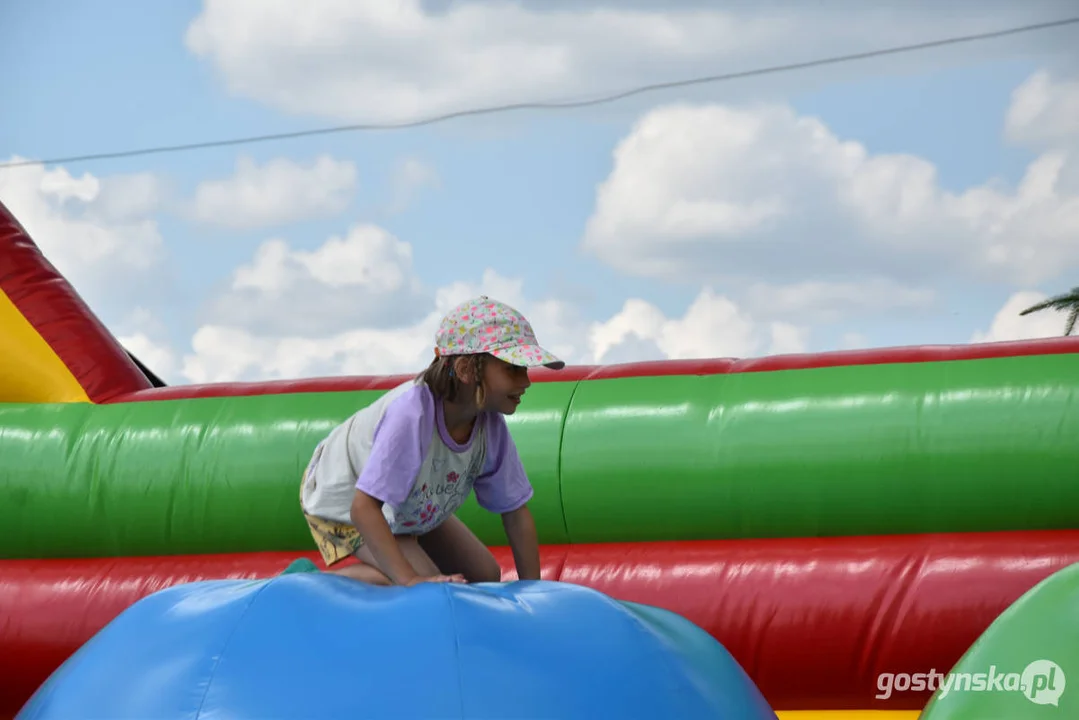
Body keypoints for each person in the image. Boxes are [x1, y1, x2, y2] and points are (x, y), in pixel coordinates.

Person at [298, 295, 565, 586]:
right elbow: (363, 508)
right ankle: (311, 583)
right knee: (424, 588)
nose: (526, 381)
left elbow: (515, 513)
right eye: (513, 369)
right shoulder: (412, 415)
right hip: (343, 498)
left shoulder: (489, 425)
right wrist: (411, 580)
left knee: (485, 575)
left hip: (408, 503)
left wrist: (533, 590)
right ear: (466, 370)